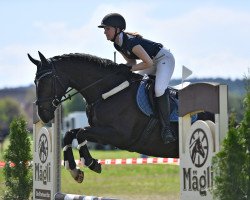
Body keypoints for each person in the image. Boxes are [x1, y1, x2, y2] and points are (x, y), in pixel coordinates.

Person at [98, 13, 176, 144]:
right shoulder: (117, 44)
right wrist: (121, 68)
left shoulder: (131, 42)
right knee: (133, 83)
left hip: (164, 59)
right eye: (104, 29)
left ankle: (167, 129)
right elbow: (132, 63)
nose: (105, 32)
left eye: (107, 29)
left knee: (159, 90)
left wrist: (128, 69)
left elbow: (148, 64)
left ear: (117, 29)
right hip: (151, 61)